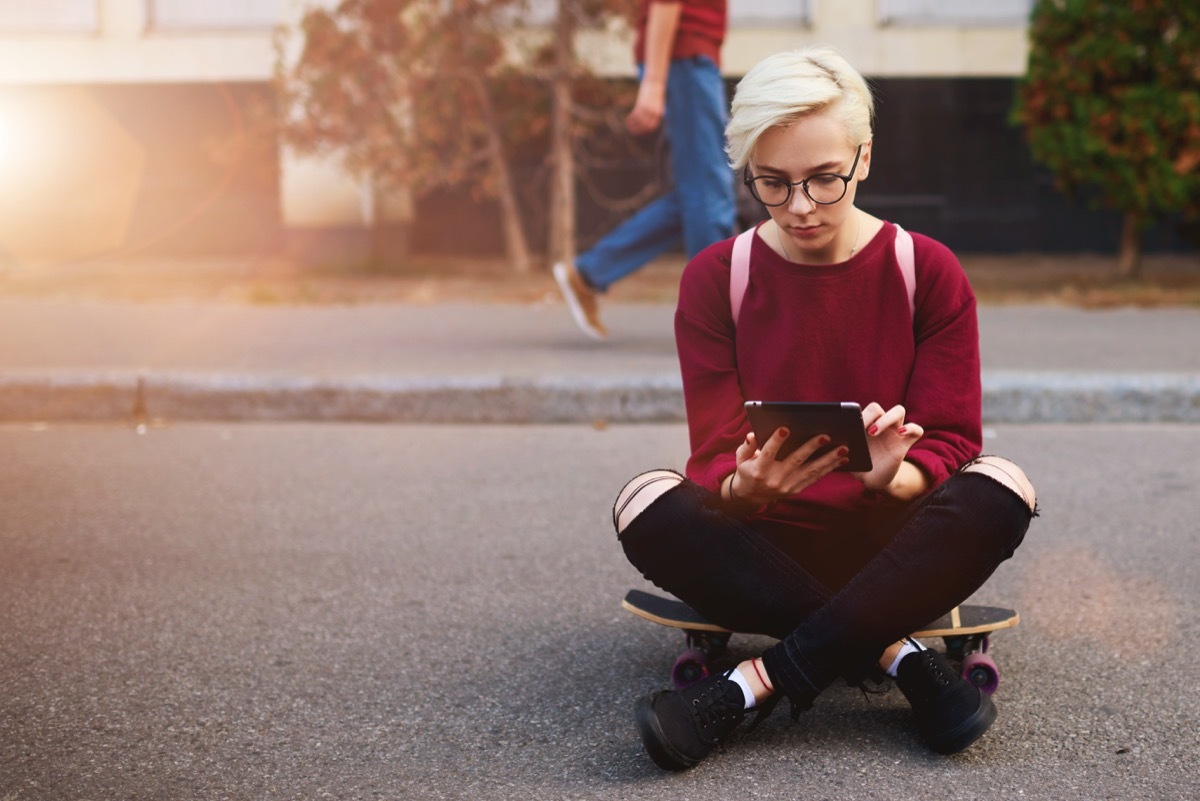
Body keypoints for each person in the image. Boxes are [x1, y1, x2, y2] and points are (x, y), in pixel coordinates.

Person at [611, 47, 1038, 771]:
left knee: (1004, 484)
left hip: (896, 542)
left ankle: (753, 683)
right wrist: (746, 488)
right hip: (766, 544)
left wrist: (894, 478)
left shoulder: (924, 269)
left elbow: (954, 440)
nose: (800, 205)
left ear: (864, 159)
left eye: (824, 179)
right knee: (643, 498)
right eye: (772, 184)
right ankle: (895, 649)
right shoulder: (719, 278)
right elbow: (713, 454)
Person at [553, 0, 736, 340]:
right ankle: (714, 321)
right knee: (710, 194)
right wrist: (653, 83)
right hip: (684, 57)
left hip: (690, 57)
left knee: (694, 196)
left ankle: (591, 273)